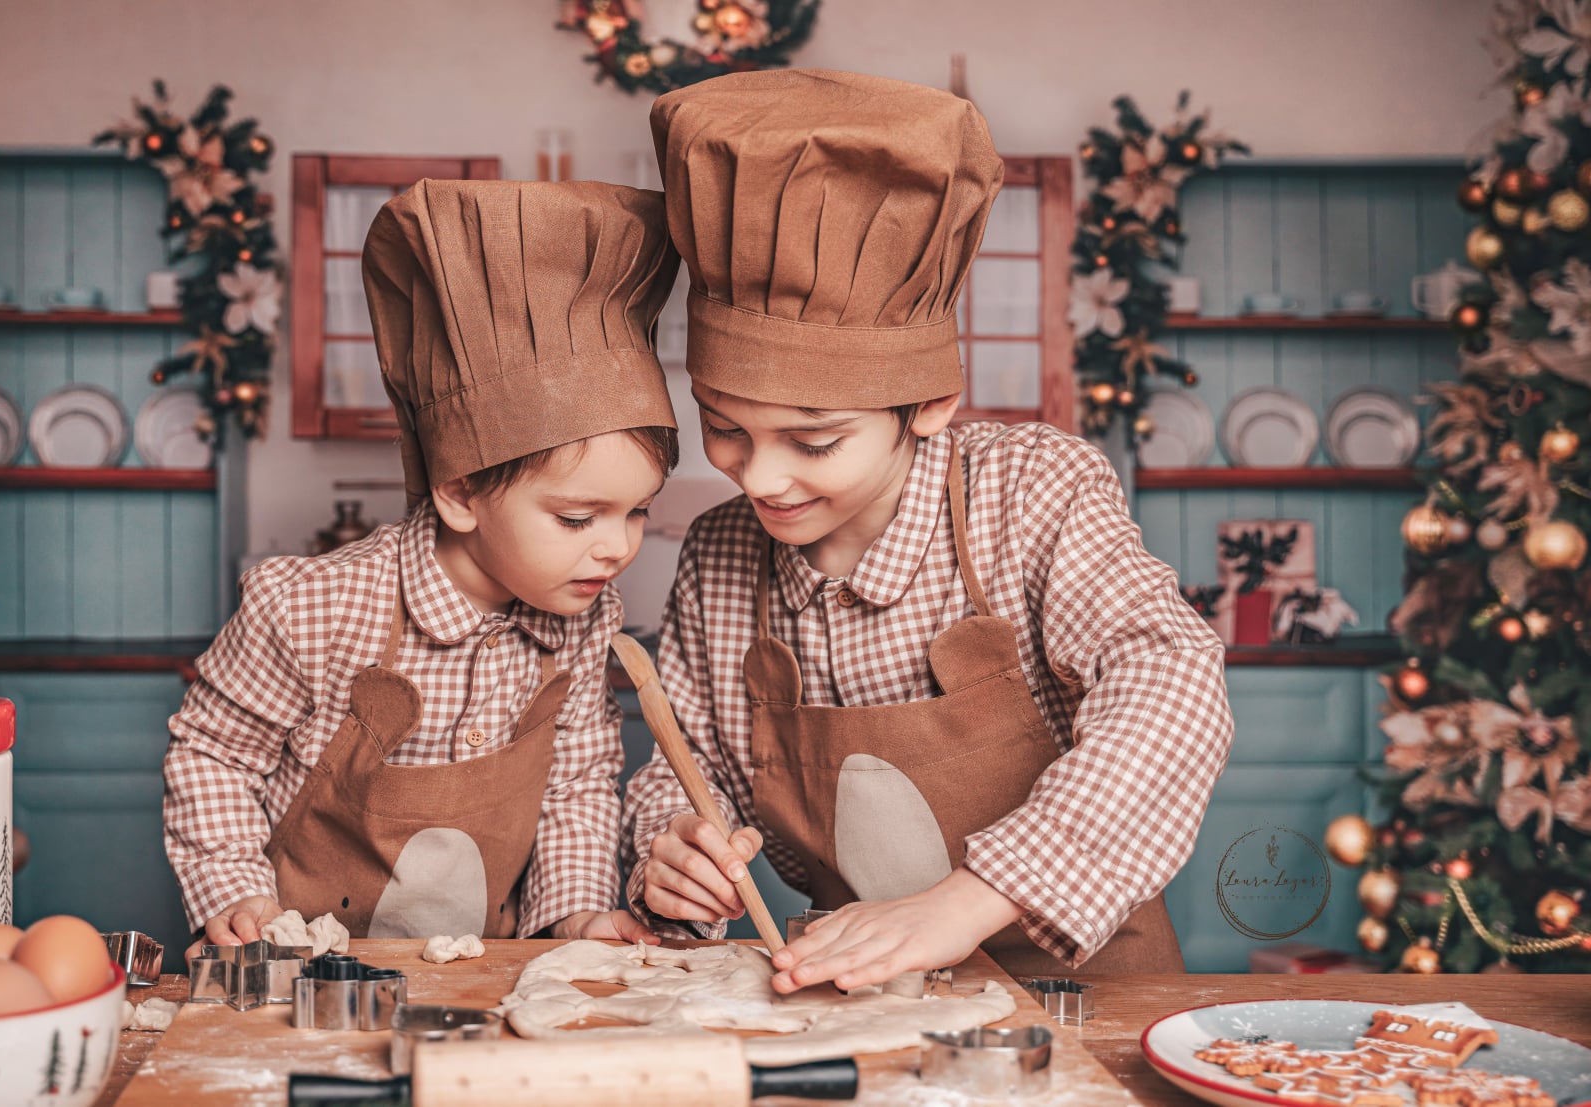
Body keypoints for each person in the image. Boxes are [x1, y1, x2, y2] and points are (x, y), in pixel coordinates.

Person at [622, 69, 1235, 991]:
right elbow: (691, 764)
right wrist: (673, 844)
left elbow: (1170, 681)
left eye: (815, 441)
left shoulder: (1030, 490)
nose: (762, 478)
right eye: (726, 427)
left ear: (931, 402)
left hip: (1087, 992)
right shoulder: (720, 556)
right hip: (861, 997)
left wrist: (974, 896)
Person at [166, 178, 681, 955]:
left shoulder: (583, 619)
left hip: (480, 974)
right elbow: (214, 752)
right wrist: (234, 888)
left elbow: (575, 782)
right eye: (578, 517)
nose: (618, 547)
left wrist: (574, 915)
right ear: (461, 493)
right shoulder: (311, 607)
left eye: (637, 510)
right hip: (299, 974)